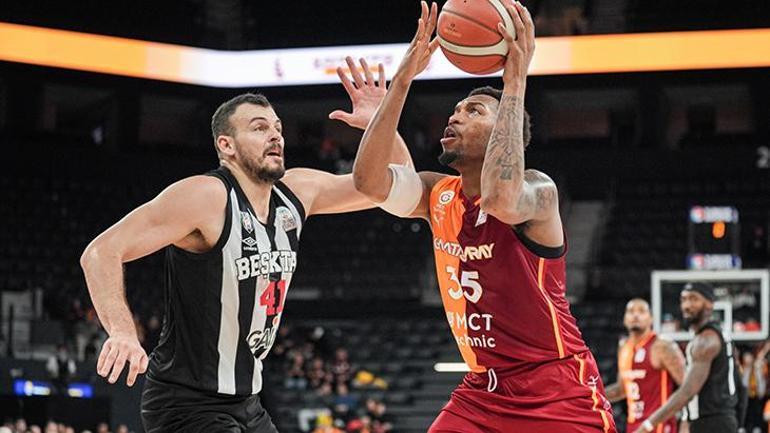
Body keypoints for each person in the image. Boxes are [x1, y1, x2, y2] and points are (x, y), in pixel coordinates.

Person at [80, 58, 412, 433]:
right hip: (186, 403)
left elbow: (398, 185)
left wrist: (380, 121)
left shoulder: (298, 191)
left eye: (278, 128)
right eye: (259, 128)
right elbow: (101, 252)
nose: (275, 136)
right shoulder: (206, 197)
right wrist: (122, 331)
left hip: (247, 401)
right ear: (227, 145)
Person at [351, 2, 615, 432]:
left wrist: (515, 82)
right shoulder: (438, 195)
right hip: (481, 391)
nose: (455, 115)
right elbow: (368, 182)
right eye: (456, 109)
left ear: (505, 130)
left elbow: (500, 200)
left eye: (474, 110)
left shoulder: (539, 192)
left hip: (556, 388)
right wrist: (401, 84)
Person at [632, 283, 746, 433]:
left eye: (694, 299)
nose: (687, 305)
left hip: (712, 423)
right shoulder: (718, 336)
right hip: (720, 420)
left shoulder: (705, 341)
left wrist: (647, 425)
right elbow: (741, 387)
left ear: (709, 304)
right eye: (684, 299)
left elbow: (687, 392)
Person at [604, 299, 686, 433]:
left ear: (651, 318)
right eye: (631, 311)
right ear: (625, 319)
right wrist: (592, 396)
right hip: (634, 425)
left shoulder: (662, 346)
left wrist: (686, 422)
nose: (635, 315)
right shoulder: (624, 347)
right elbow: (622, 389)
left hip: (658, 425)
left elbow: (687, 387)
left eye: (642, 311)